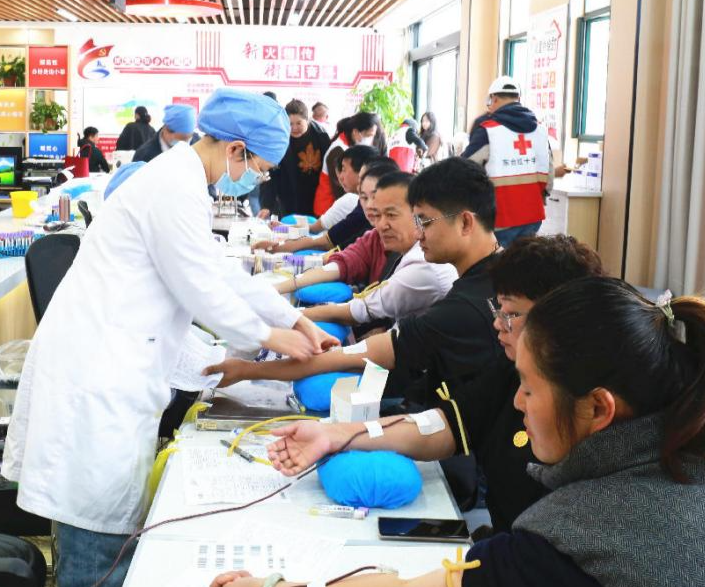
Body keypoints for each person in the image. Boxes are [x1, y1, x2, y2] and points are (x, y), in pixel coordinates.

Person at [217, 278, 705, 587]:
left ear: (598, 408)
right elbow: (447, 422)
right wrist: (342, 435)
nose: (516, 401)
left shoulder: (586, 535)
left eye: (529, 387)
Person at [2, 88, 339, 587]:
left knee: (109, 534)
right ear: (235, 149)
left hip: (116, 369)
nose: (257, 179)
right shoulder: (172, 187)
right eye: (260, 169)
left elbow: (219, 271)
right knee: (96, 548)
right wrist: (270, 335)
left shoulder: (183, 183)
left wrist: (294, 321)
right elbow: (201, 288)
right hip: (97, 381)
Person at [262, 235, 602, 535]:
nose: (498, 324)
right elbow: (444, 425)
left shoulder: (591, 420)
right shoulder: (508, 367)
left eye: (510, 315)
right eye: (497, 310)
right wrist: (335, 435)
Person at [214, 157, 506, 409]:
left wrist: (249, 369)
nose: (418, 233)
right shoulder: (492, 274)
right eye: (366, 202)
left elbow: (370, 344)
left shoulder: (454, 295)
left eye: (424, 222)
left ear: (465, 223)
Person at [272, 172, 457, 335]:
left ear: (419, 214)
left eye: (391, 214)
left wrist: (289, 314)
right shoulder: (383, 236)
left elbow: (361, 311)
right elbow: (342, 261)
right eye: (363, 197)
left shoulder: (424, 263)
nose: (379, 222)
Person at [462, 76, 553, 246]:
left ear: (494, 98)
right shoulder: (540, 132)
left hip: (501, 218)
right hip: (532, 215)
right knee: (524, 258)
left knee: (499, 260)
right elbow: (549, 173)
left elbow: (463, 169)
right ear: (518, 98)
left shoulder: (489, 131)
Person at [255, 153, 391, 256]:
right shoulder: (360, 209)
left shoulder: (353, 202)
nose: (340, 176)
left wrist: (278, 246)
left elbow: (324, 239)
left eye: (344, 169)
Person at [259, 99, 331, 219]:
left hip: (315, 198)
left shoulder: (320, 136)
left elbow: (329, 170)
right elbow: (270, 174)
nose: (294, 128)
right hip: (288, 197)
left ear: (307, 120)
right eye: (290, 124)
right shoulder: (279, 138)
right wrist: (266, 204)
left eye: (299, 123)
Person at [313, 111, 381, 216]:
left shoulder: (350, 147)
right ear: (356, 132)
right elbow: (340, 188)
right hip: (328, 208)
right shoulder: (338, 151)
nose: (371, 140)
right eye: (369, 135)